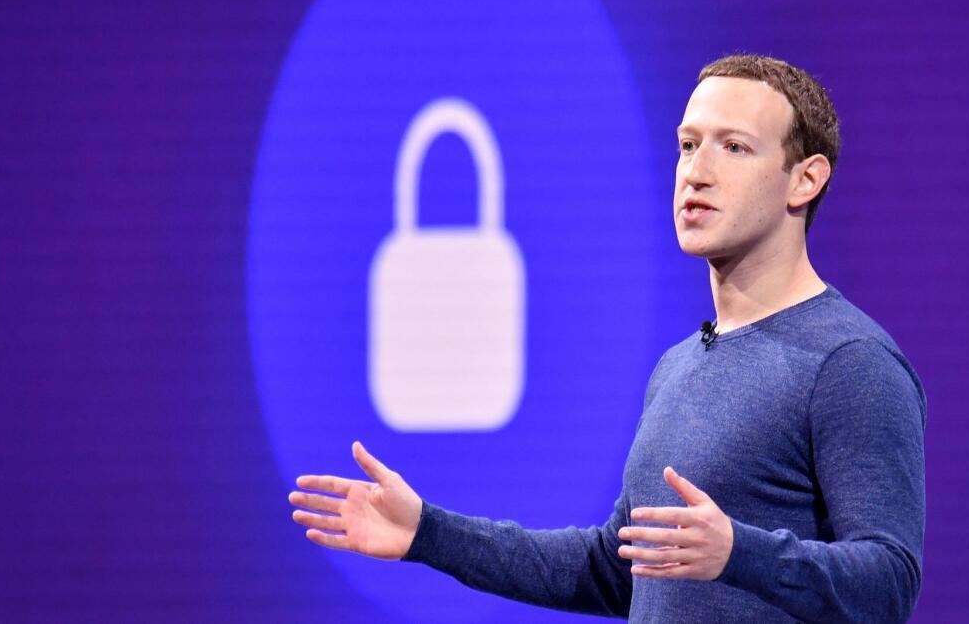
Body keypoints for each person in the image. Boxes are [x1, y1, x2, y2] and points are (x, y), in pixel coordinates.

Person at [288, 54, 926, 623]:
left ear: (805, 180)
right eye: (686, 145)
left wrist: (739, 552)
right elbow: (613, 570)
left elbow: (889, 584)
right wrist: (430, 533)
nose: (695, 172)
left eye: (733, 147)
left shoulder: (849, 363)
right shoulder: (680, 365)